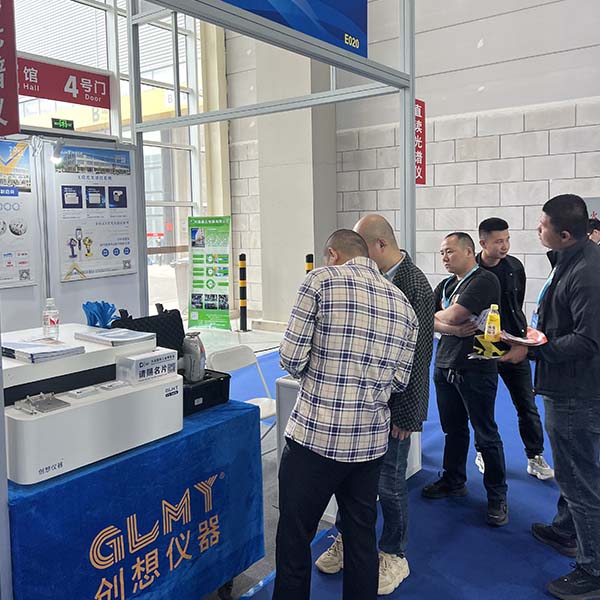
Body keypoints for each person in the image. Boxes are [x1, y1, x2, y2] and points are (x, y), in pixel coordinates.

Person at [274, 229, 419, 600]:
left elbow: (290, 358)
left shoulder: (320, 281)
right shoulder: (403, 304)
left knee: (294, 539)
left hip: (315, 439)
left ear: (333, 254)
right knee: (360, 537)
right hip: (369, 444)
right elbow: (400, 381)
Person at [314, 215, 434, 596]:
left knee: (390, 483)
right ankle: (347, 539)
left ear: (379, 246)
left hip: (394, 408)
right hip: (361, 407)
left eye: (362, 250)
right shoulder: (369, 280)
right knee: (352, 482)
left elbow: (419, 357)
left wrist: (408, 414)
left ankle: (394, 553)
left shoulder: (415, 285)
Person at [501, 195, 600, 600]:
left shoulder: (587, 272)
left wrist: (533, 350)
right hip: (567, 384)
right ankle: (565, 529)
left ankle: (593, 570)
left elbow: (587, 340)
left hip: (577, 392)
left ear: (565, 234)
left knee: (579, 480)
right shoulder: (570, 260)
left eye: (543, 226)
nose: (537, 230)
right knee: (574, 469)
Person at [422, 232, 509, 527]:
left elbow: (455, 315)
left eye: (450, 251)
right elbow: (426, 318)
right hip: (444, 364)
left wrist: (444, 320)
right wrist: (450, 328)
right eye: (442, 253)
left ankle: (497, 495)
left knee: (486, 433)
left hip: (476, 367)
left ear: (469, 251)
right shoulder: (446, 284)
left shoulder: (484, 280)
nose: (444, 258)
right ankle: (453, 479)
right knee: (453, 430)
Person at [475, 217, 553, 480]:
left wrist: (518, 340)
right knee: (482, 407)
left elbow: (515, 306)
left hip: (516, 344)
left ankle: (535, 455)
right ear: (483, 243)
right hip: (484, 347)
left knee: (527, 405)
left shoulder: (515, 267)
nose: (505, 245)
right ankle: (483, 451)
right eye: (499, 241)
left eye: (507, 239)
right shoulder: (473, 271)